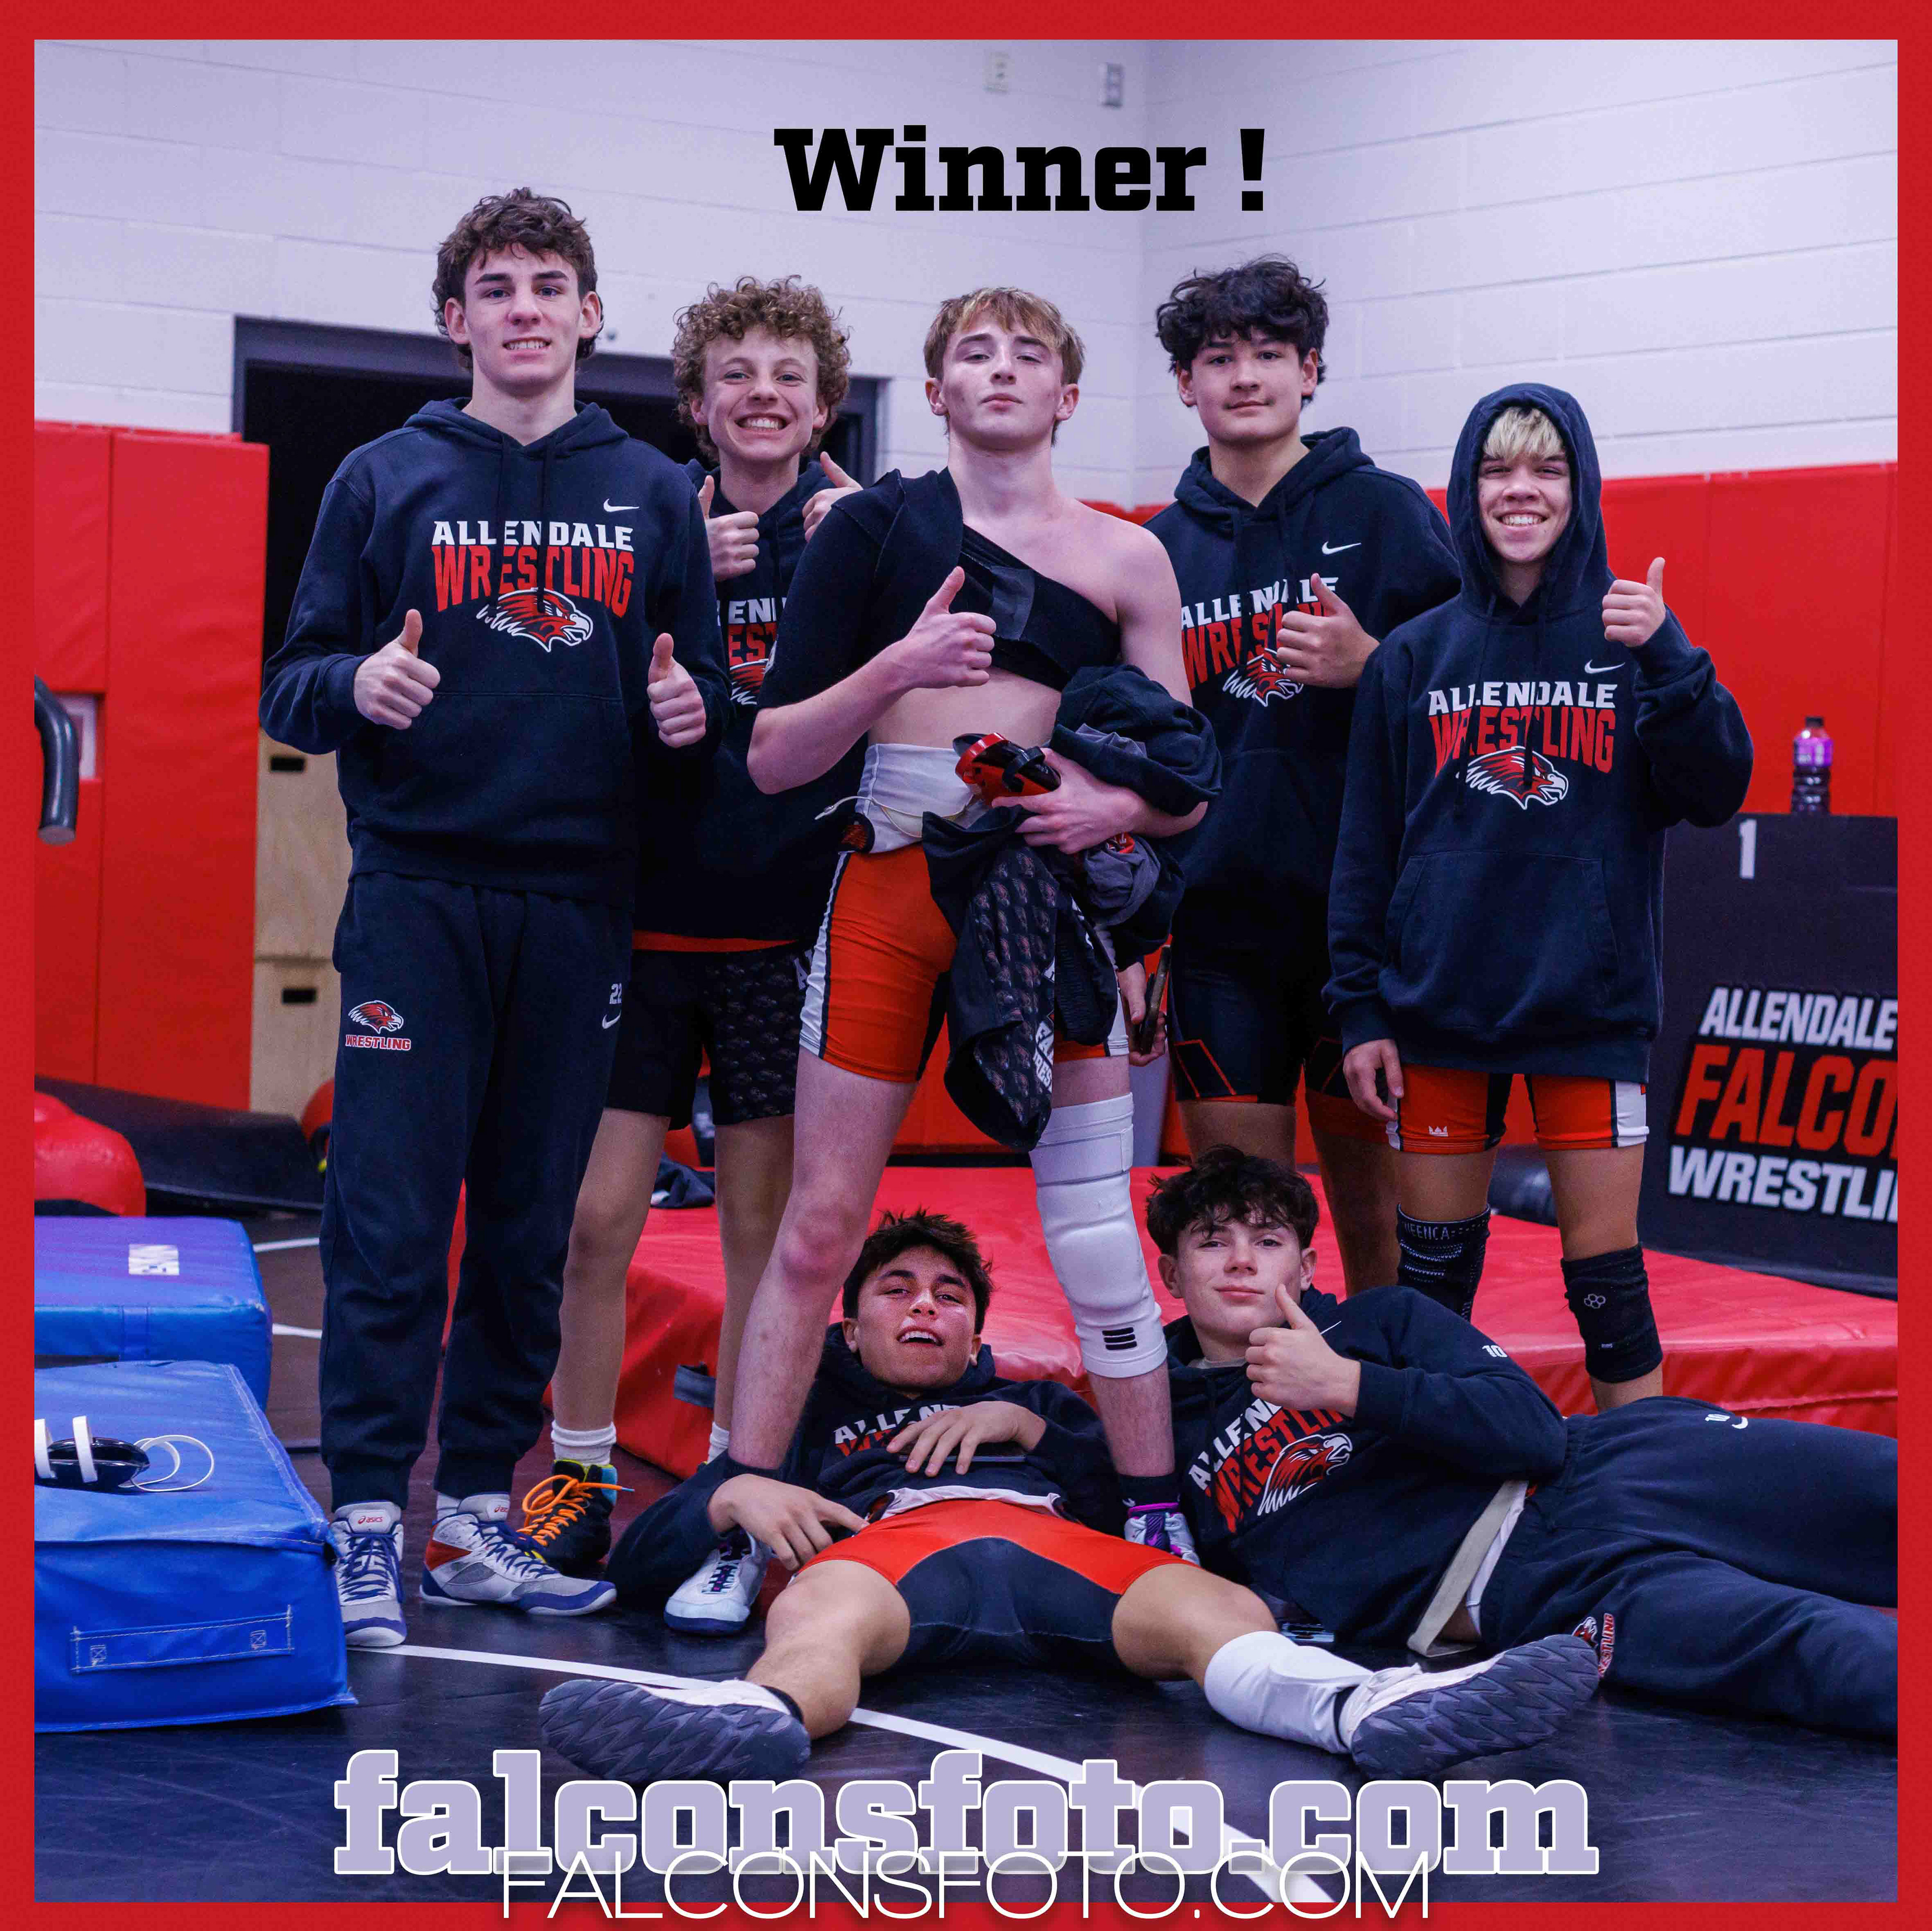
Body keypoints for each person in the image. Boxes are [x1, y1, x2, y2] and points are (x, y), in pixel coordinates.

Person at [678, 286, 1211, 1619]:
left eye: (1031, 353)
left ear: (1069, 397)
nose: (1003, 369)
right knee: (818, 1225)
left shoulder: (1130, 558)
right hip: (892, 878)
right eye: (975, 351)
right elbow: (770, 755)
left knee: (1097, 1233)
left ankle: (1158, 1515)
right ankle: (743, 1514)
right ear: (935, 394)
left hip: (1045, 893)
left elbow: (1189, 784)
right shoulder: (872, 530)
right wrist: (896, 668)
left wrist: (1113, 808)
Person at [259, 188, 729, 1648]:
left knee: (529, 1230)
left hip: (580, 903)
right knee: (390, 1221)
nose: (525, 309)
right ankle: (365, 1518)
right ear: (455, 319)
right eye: (498, 288)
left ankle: (473, 1515)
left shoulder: (653, 493)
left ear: (592, 315)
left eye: (549, 286)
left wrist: (689, 715)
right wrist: (356, 685)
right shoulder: (382, 477)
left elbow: (704, 701)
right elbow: (291, 686)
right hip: (419, 893)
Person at [539, 1210, 1602, 1782]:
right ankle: (757, 1720)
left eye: (950, 1295)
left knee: (1219, 1608)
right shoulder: (802, 1410)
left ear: (979, 1332)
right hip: (895, 1548)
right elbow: (642, 1563)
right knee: (820, 1613)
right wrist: (731, 1496)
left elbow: (1146, 1490)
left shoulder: (1039, 1402)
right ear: (848, 1326)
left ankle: (1364, 1710)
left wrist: (1037, 1426)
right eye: (897, 1292)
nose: (926, 1308)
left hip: (1059, 1550)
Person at [520, 277, 863, 1591]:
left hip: (781, 930)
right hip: (646, 924)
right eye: (737, 374)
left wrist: (860, 557)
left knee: (759, 1238)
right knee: (597, 1219)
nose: (762, 394)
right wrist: (670, 591)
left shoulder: (861, 531)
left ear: (822, 406)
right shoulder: (646, 519)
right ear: (698, 403)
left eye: (788, 375)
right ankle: (580, 1473)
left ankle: (734, 1488)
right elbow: (564, 683)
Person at [1151, 1149, 1894, 1738]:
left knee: (1888, 1487)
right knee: (1823, 1651)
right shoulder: (1158, 1430)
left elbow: (1533, 1432)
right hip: (1535, 1589)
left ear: (1306, 1267)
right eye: (1214, 1242)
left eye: (1267, 1240)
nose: (1242, 1261)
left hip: (1621, 1467)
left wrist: (1351, 1385)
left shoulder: (1378, 1323)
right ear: (1172, 1274)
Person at [1326, 384, 1752, 1408]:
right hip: (1437, 1010)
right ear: (1467, 489)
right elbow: (1366, 849)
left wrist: (1670, 657)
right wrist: (1362, 1008)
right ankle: (1433, 1482)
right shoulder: (1414, 655)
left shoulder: (1631, 636)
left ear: (1582, 487)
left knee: (1610, 1293)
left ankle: (1637, 1488)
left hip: (1587, 1012)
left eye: (1548, 470)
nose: (1522, 491)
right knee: (1431, 1290)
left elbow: (1716, 791)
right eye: (1498, 470)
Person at [1147, 258, 1461, 1296]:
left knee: (1377, 1220)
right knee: (1244, 1227)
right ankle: (1252, 1402)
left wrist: (1375, 664)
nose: (1245, 377)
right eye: (1218, 358)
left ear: (1310, 371)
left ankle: (1383, 1396)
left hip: (1363, 934)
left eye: (1269, 354)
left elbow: (1481, 698)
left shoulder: (1390, 513)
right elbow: (1133, 746)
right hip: (1220, 933)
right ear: (1185, 383)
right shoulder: (1156, 550)